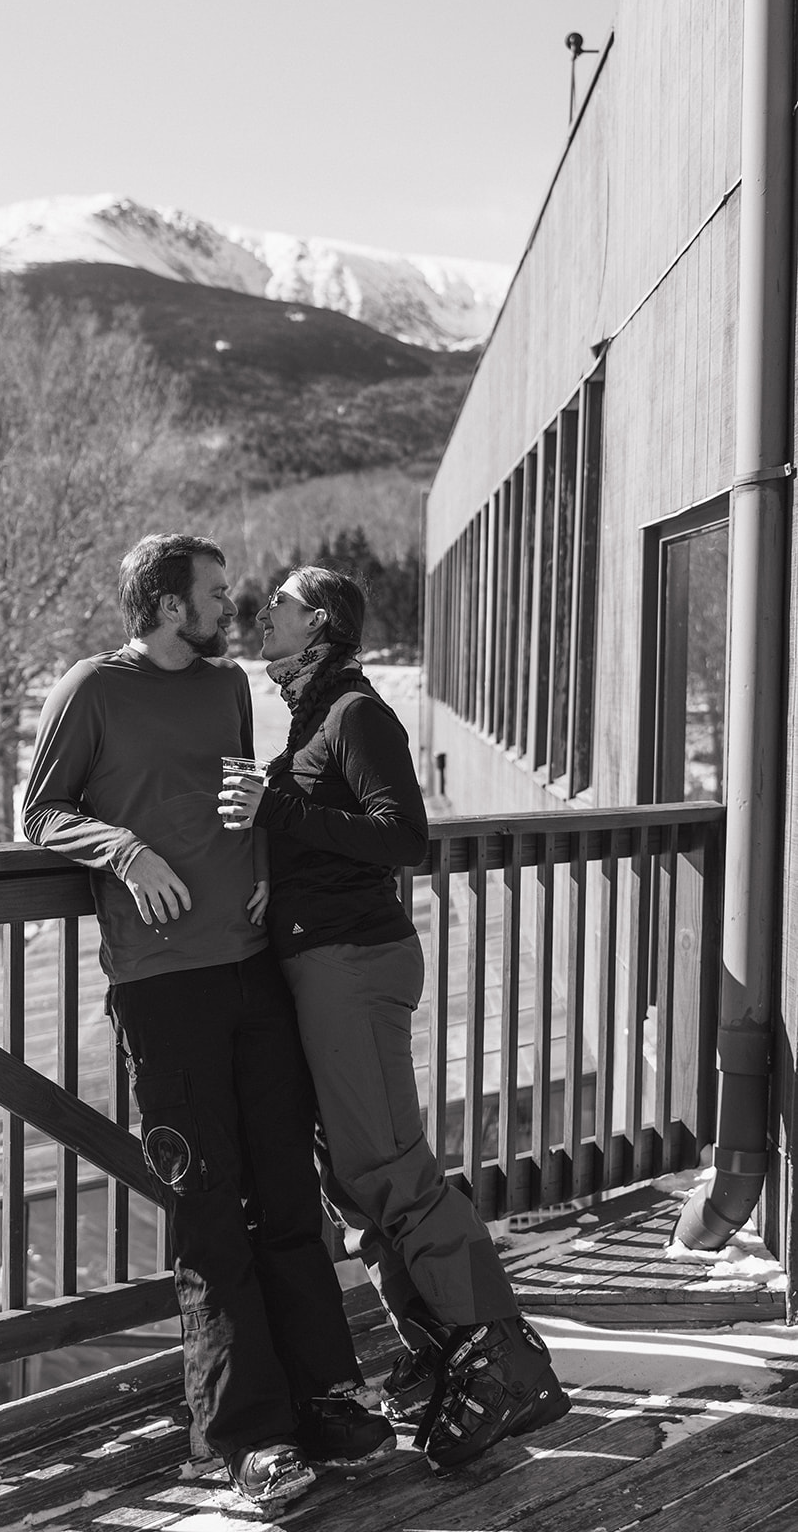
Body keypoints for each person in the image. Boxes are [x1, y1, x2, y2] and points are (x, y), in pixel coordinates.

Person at [21, 534, 393, 1512]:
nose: (232, 605)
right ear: (160, 599)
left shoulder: (229, 688)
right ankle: (246, 1435)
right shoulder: (90, 689)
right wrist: (123, 849)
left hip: (252, 970)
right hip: (162, 987)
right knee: (208, 1207)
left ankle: (329, 1395)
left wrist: (266, 867)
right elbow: (39, 812)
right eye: (215, 592)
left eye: (233, 593)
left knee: (284, 1194)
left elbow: (240, 796)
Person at [218, 565, 571, 1475]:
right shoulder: (310, 713)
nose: (265, 616)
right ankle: (444, 1341)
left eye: (283, 608)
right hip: (320, 959)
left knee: (386, 1165)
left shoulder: (353, 713)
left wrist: (279, 809)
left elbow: (400, 835)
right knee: (350, 1173)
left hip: (355, 964)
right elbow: (315, 829)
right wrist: (272, 870)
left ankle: (504, 1356)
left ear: (322, 624)